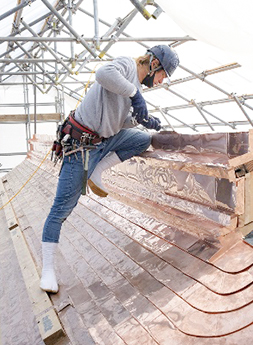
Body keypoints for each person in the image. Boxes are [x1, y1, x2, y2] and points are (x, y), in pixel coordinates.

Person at [40, 45, 180, 293]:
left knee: (141, 139)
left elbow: (116, 123)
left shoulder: (131, 87)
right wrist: (135, 95)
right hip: (81, 148)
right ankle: (47, 270)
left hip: (103, 141)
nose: (160, 82)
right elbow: (103, 74)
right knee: (62, 208)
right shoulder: (126, 66)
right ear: (154, 64)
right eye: (163, 75)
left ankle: (98, 170)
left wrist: (140, 120)